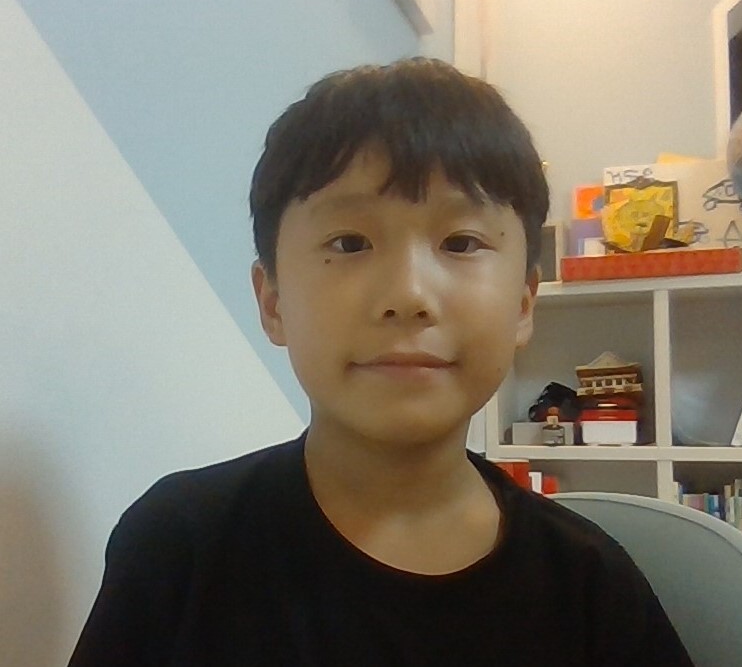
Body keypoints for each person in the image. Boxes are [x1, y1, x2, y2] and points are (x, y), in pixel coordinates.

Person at [68, 57, 695, 666]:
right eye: (350, 242)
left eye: (461, 242)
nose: (408, 294)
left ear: (524, 305)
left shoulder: (591, 589)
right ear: (273, 301)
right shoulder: (180, 547)